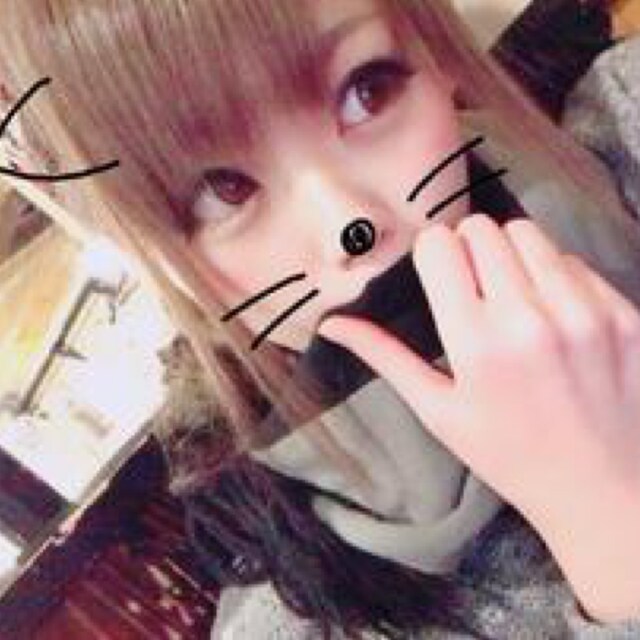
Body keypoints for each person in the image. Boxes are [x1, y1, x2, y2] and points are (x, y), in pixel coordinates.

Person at [1, 1, 640, 638]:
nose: (350, 226)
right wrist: (600, 514)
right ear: (156, 255)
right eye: (223, 190)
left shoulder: (624, 119)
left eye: (368, 90)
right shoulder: (303, 617)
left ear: (432, 49)